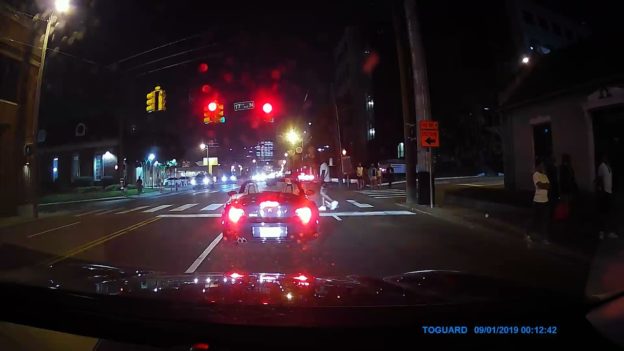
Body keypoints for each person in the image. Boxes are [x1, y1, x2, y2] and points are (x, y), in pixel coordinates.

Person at [527, 160, 550, 245]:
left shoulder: (544, 175)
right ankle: (528, 233)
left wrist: (544, 185)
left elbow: (548, 186)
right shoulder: (536, 174)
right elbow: (540, 185)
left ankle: (544, 238)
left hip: (545, 201)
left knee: (544, 221)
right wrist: (544, 185)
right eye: (541, 165)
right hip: (537, 201)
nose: (542, 167)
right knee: (534, 219)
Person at [596, 154, 618, 239]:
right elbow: (600, 179)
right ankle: (602, 232)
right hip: (604, 192)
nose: (605, 158)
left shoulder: (608, 166)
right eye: (604, 157)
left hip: (609, 192)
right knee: (604, 213)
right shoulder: (602, 166)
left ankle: (608, 231)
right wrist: (601, 191)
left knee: (609, 213)